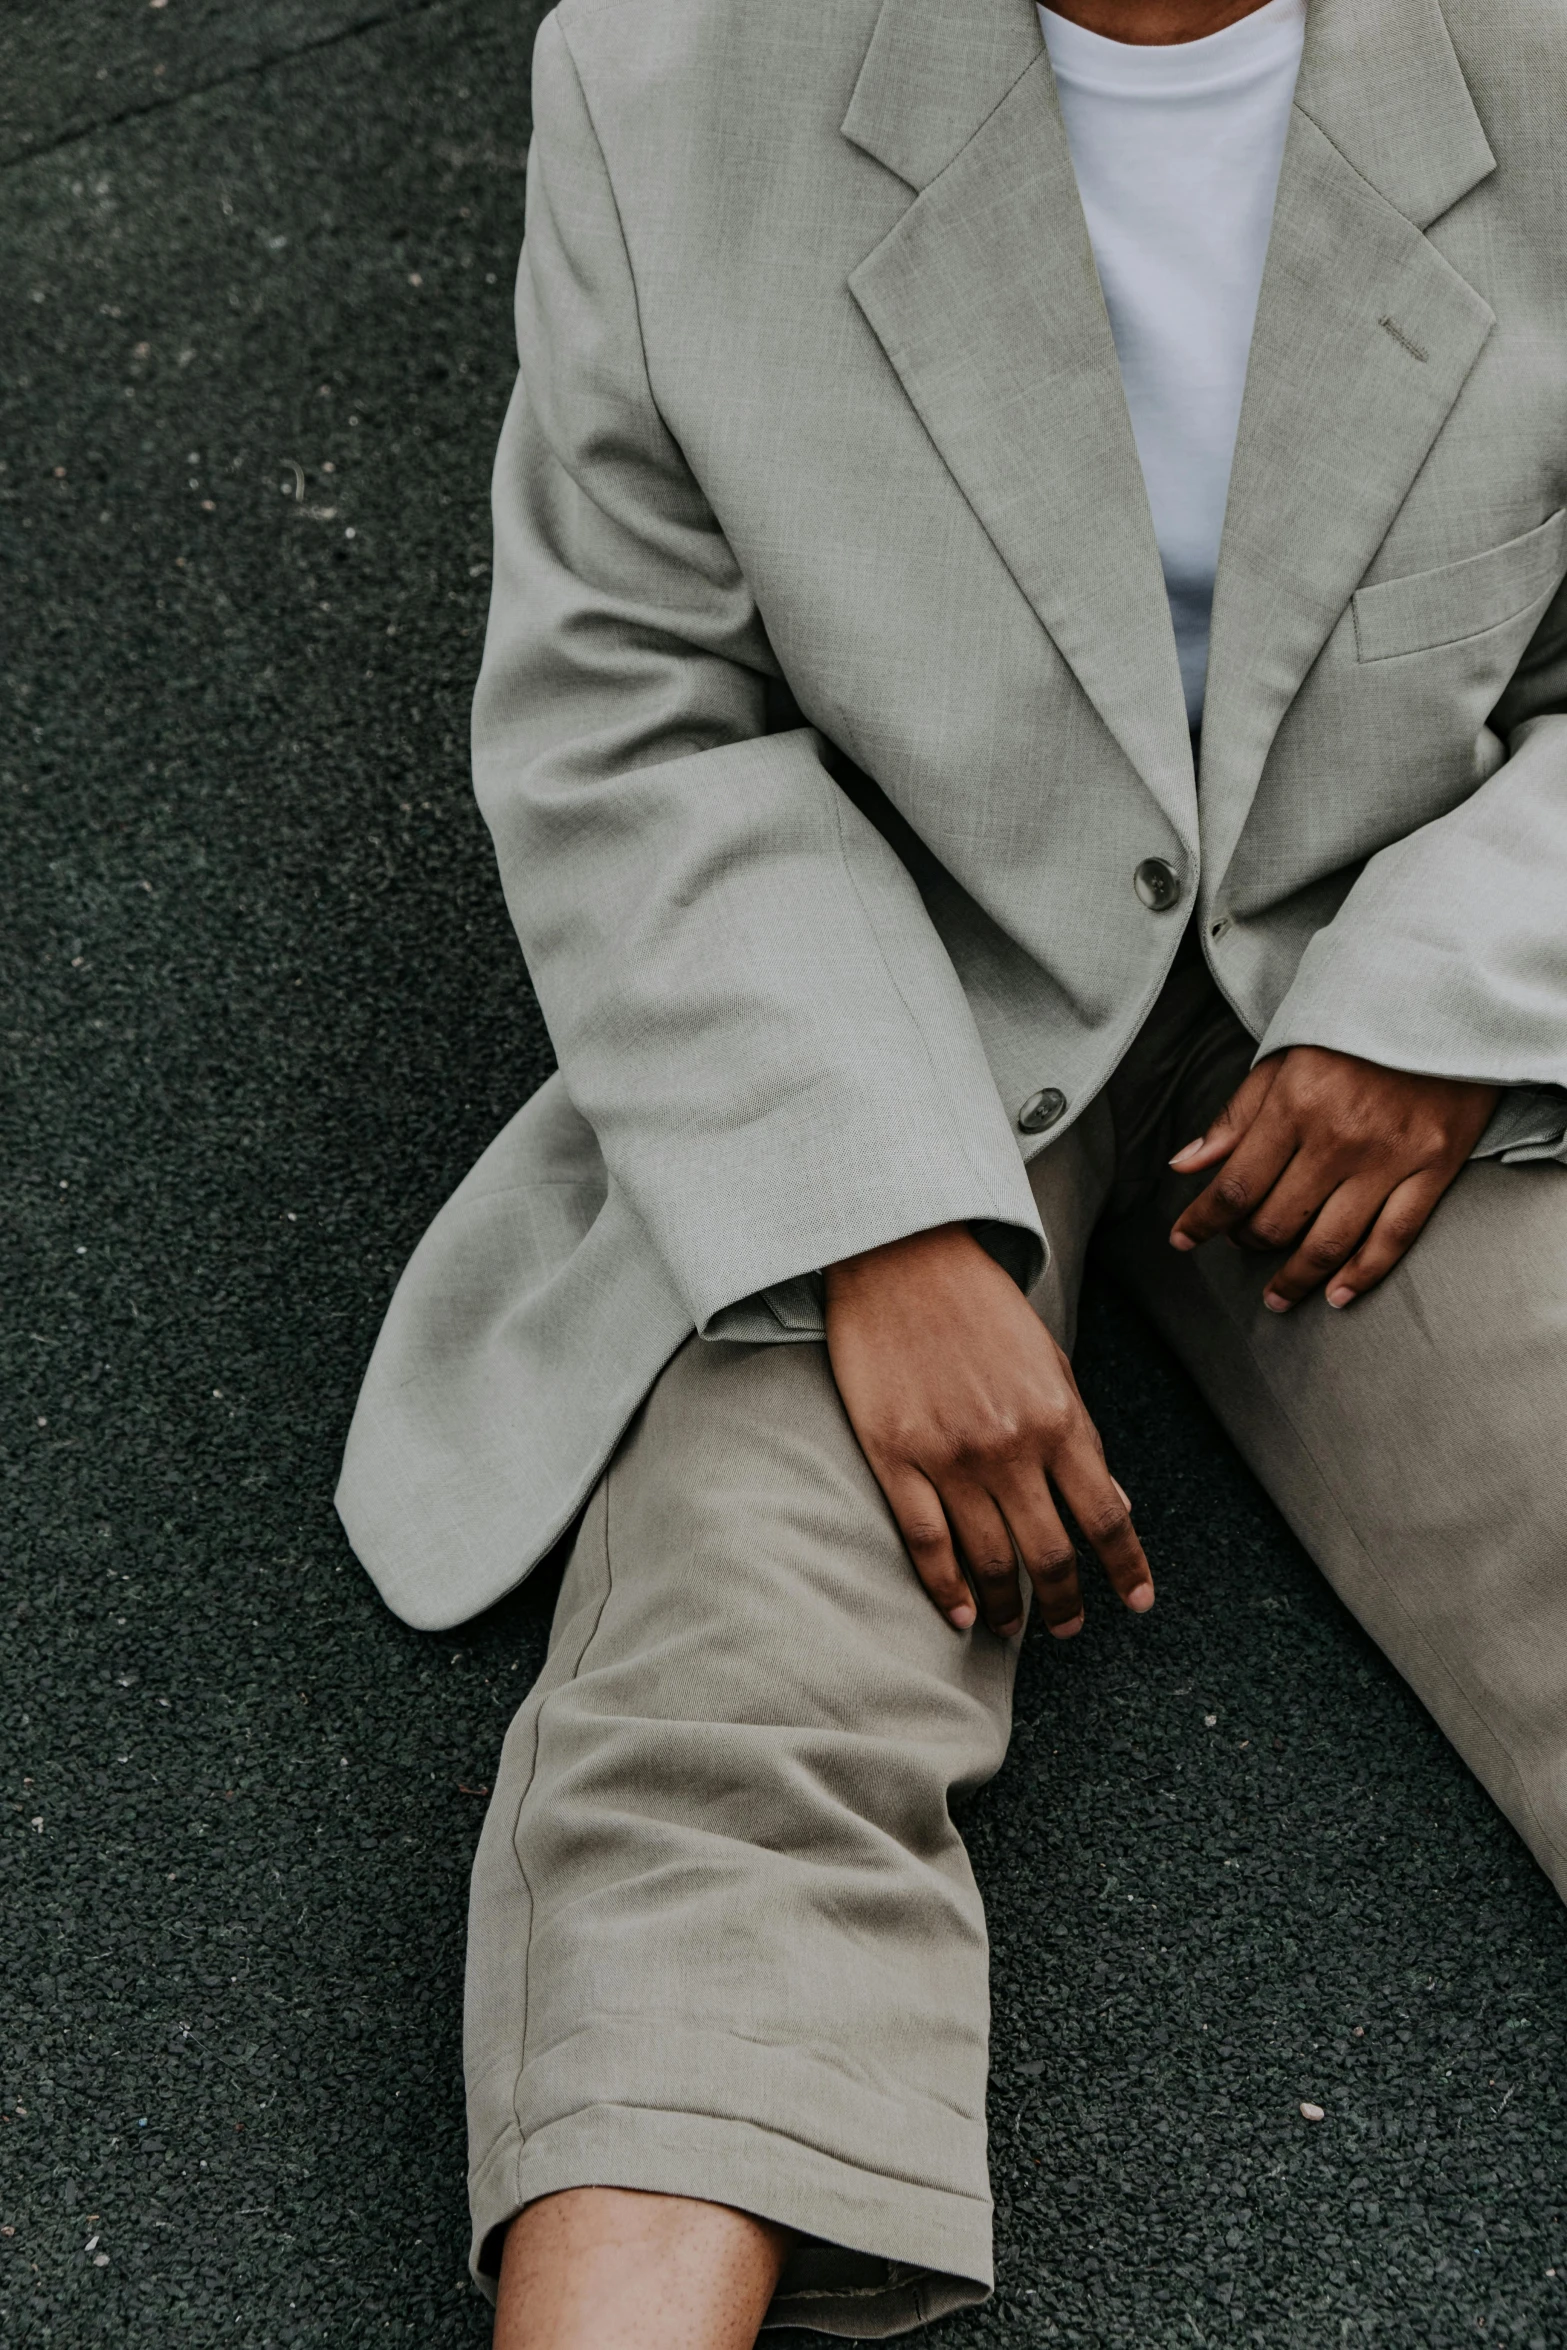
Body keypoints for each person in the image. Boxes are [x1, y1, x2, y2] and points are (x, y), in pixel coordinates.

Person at [337, 0, 1567, 2337]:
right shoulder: (674, 78)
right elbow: (627, 703)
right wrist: (869, 1212)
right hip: (891, 965)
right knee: (731, 1662)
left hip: (1386, 947)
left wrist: (1451, 999)